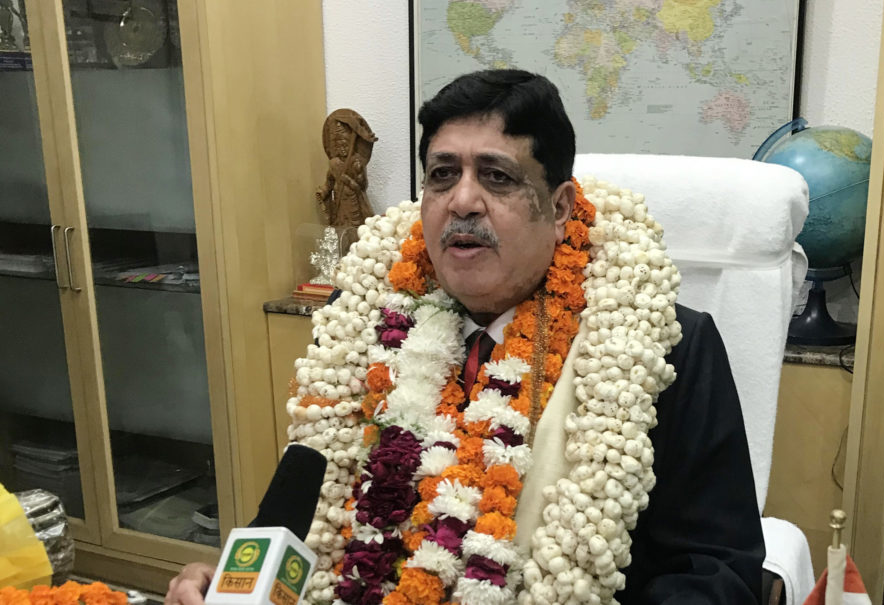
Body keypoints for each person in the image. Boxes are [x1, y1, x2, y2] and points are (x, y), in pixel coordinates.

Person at [166, 69, 763, 605]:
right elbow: (302, 516)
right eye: (442, 174)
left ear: (559, 209)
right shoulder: (363, 321)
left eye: (497, 177)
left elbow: (716, 573)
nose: (462, 201)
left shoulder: (665, 348)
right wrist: (228, 581)